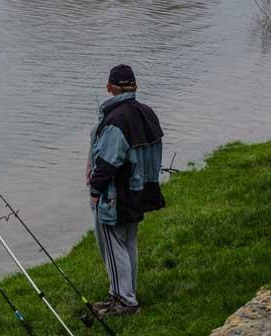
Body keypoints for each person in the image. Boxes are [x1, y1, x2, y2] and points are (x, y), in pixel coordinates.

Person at [86, 64, 165, 316]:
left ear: (109, 87)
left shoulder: (116, 119)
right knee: (128, 242)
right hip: (140, 190)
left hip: (116, 195)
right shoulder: (148, 113)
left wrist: (95, 191)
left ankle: (125, 301)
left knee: (112, 243)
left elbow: (108, 162)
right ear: (135, 86)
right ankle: (122, 294)